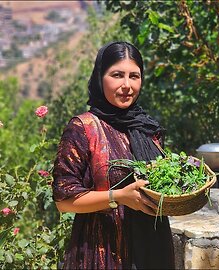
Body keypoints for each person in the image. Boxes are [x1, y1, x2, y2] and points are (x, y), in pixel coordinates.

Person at [52, 41, 175, 269]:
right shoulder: (83, 128)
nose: (127, 85)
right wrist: (118, 197)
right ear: (100, 77)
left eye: (134, 76)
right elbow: (64, 201)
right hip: (103, 250)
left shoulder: (148, 130)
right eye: (117, 75)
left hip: (151, 249)